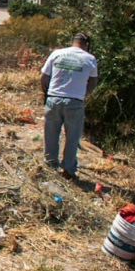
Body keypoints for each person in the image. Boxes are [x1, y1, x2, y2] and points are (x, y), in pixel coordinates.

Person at [40, 32, 98, 179]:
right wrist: (83, 94)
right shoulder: (90, 59)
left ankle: (50, 165)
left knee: (51, 134)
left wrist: (47, 93)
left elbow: (44, 76)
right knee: (72, 137)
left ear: (72, 42)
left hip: (54, 98)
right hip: (75, 101)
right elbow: (93, 82)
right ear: (87, 44)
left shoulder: (57, 54)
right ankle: (68, 170)